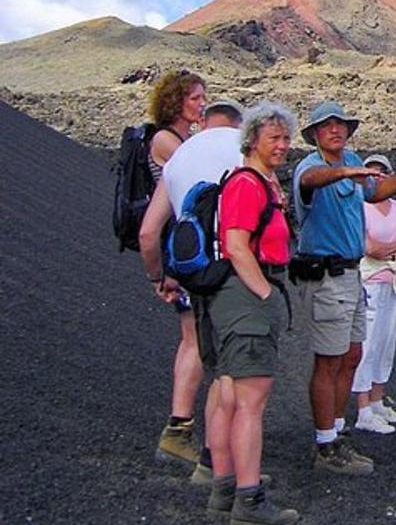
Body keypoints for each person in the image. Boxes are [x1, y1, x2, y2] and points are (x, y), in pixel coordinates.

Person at [291, 101, 396, 474]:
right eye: (327, 126)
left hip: (352, 273)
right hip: (325, 275)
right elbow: (310, 183)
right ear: (315, 135)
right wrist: (343, 172)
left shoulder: (352, 160)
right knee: (329, 358)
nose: (335, 131)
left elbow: (373, 191)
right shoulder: (311, 167)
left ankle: (337, 432)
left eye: (341, 125)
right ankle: (325, 445)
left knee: (351, 354)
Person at [139, 99, 243, 480]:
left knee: (194, 344)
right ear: (239, 123)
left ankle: (178, 429)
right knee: (232, 366)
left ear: (204, 122)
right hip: (233, 271)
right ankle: (219, 460)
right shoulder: (245, 150)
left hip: (188, 268)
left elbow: (149, 232)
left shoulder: (181, 156)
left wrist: (158, 277)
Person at [205, 101, 299, 524]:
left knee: (229, 397)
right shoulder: (247, 184)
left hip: (235, 299)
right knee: (249, 404)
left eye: (286, 138)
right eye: (274, 138)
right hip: (246, 298)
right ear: (252, 141)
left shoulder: (260, 181)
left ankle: (224, 491)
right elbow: (236, 244)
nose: (282, 146)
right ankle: (249, 501)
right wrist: (265, 294)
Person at [141, 70, 208, 465]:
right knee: (194, 339)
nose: (201, 104)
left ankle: (183, 426)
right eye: (195, 98)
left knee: (194, 337)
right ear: (176, 102)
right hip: (177, 252)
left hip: (179, 249)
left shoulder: (181, 140)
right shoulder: (168, 141)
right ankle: (178, 428)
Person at [352, 154, 396, 434]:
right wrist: (395, 249)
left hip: (394, 280)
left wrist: (389, 252)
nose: (376, 177)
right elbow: (369, 248)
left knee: (385, 341)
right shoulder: (358, 207)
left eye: (382, 173)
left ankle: (378, 400)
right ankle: (362, 409)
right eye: (370, 172)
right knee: (367, 343)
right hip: (369, 280)